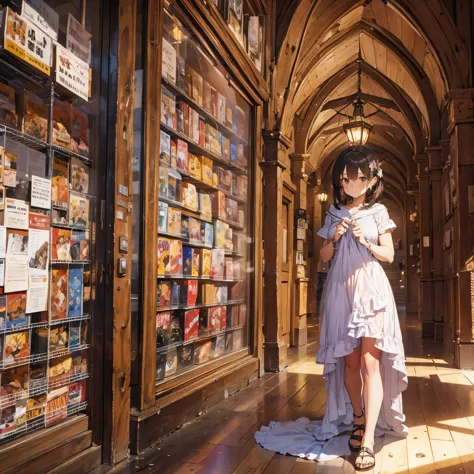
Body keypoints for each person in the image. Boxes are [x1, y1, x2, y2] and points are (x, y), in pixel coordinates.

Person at [255, 146, 407, 471]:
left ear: (370, 180)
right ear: (341, 181)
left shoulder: (379, 212)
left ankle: (367, 442)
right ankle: (358, 417)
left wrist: (366, 243)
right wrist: (335, 238)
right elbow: (322, 258)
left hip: (371, 289)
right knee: (350, 365)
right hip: (341, 291)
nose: (353, 183)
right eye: (347, 178)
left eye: (360, 178)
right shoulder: (333, 214)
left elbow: (390, 255)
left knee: (370, 364)